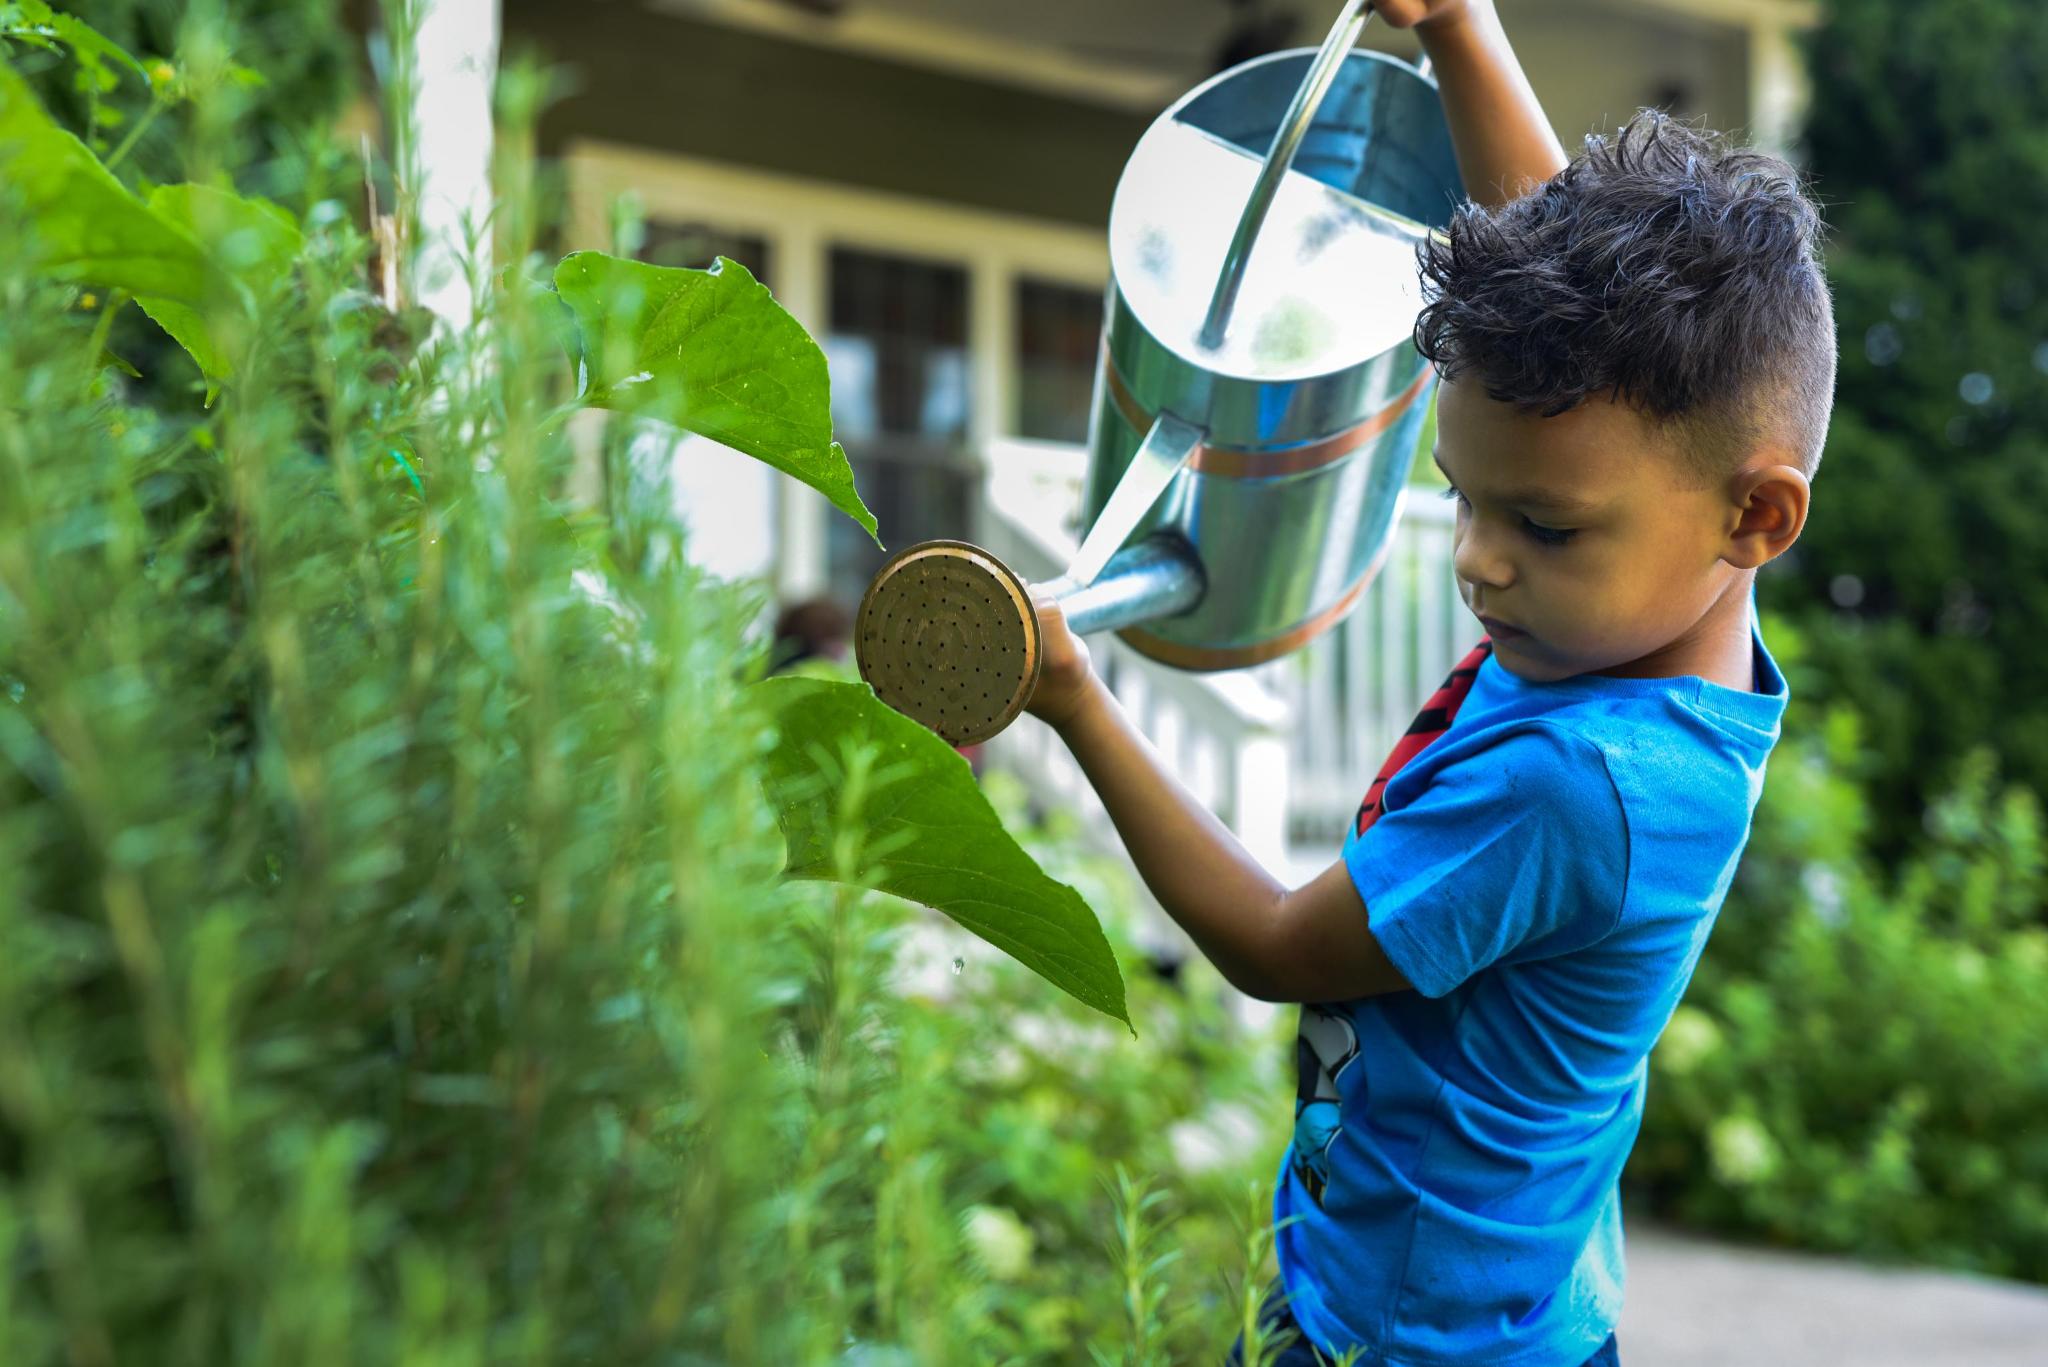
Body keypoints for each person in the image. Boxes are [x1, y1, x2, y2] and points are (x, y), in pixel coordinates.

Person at [1023, 2, 1834, 1364]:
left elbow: (1279, 946)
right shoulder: (1657, 604)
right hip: (1500, 1303)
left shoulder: (1573, 788)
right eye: (1461, 498)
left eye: (1541, 525)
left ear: (1758, 518)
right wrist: (1459, 26)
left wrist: (1075, 700)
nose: (1480, 563)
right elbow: (1553, 273)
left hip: (1407, 1344)